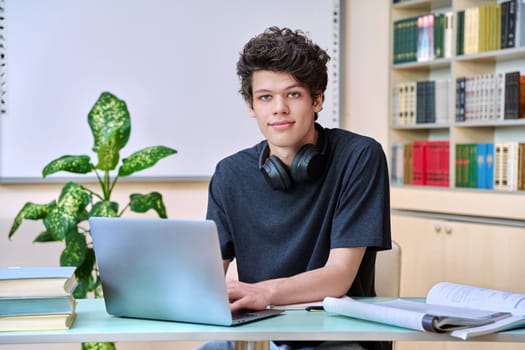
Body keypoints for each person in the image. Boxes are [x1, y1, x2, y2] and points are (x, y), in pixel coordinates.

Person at [202, 26, 392, 350]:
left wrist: (264, 292)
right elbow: (206, 282)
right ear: (251, 106)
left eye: (292, 94)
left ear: (317, 99)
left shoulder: (359, 157)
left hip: (333, 336)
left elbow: (338, 276)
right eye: (265, 97)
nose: (279, 108)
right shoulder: (229, 174)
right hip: (259, 333)